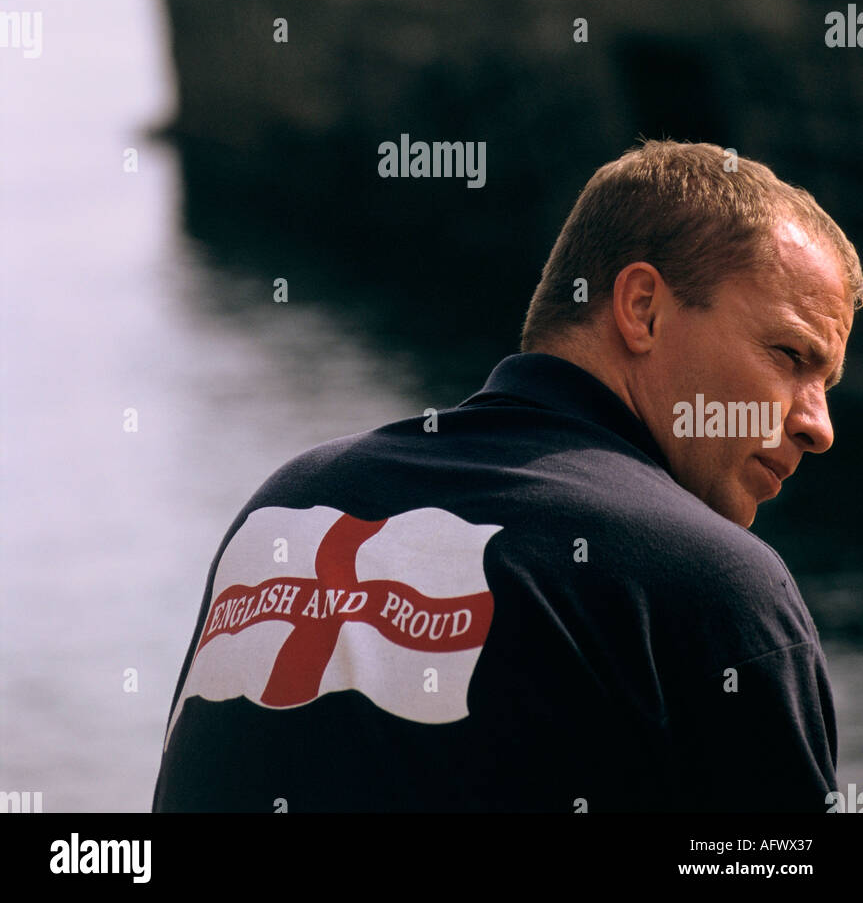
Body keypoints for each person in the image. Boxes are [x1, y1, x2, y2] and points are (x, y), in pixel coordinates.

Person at [152, 140, 859, 813]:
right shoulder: (709, 584)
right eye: (789, 354)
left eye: (825, 383)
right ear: (641, 308)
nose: (817, 425)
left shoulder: (287, 509)